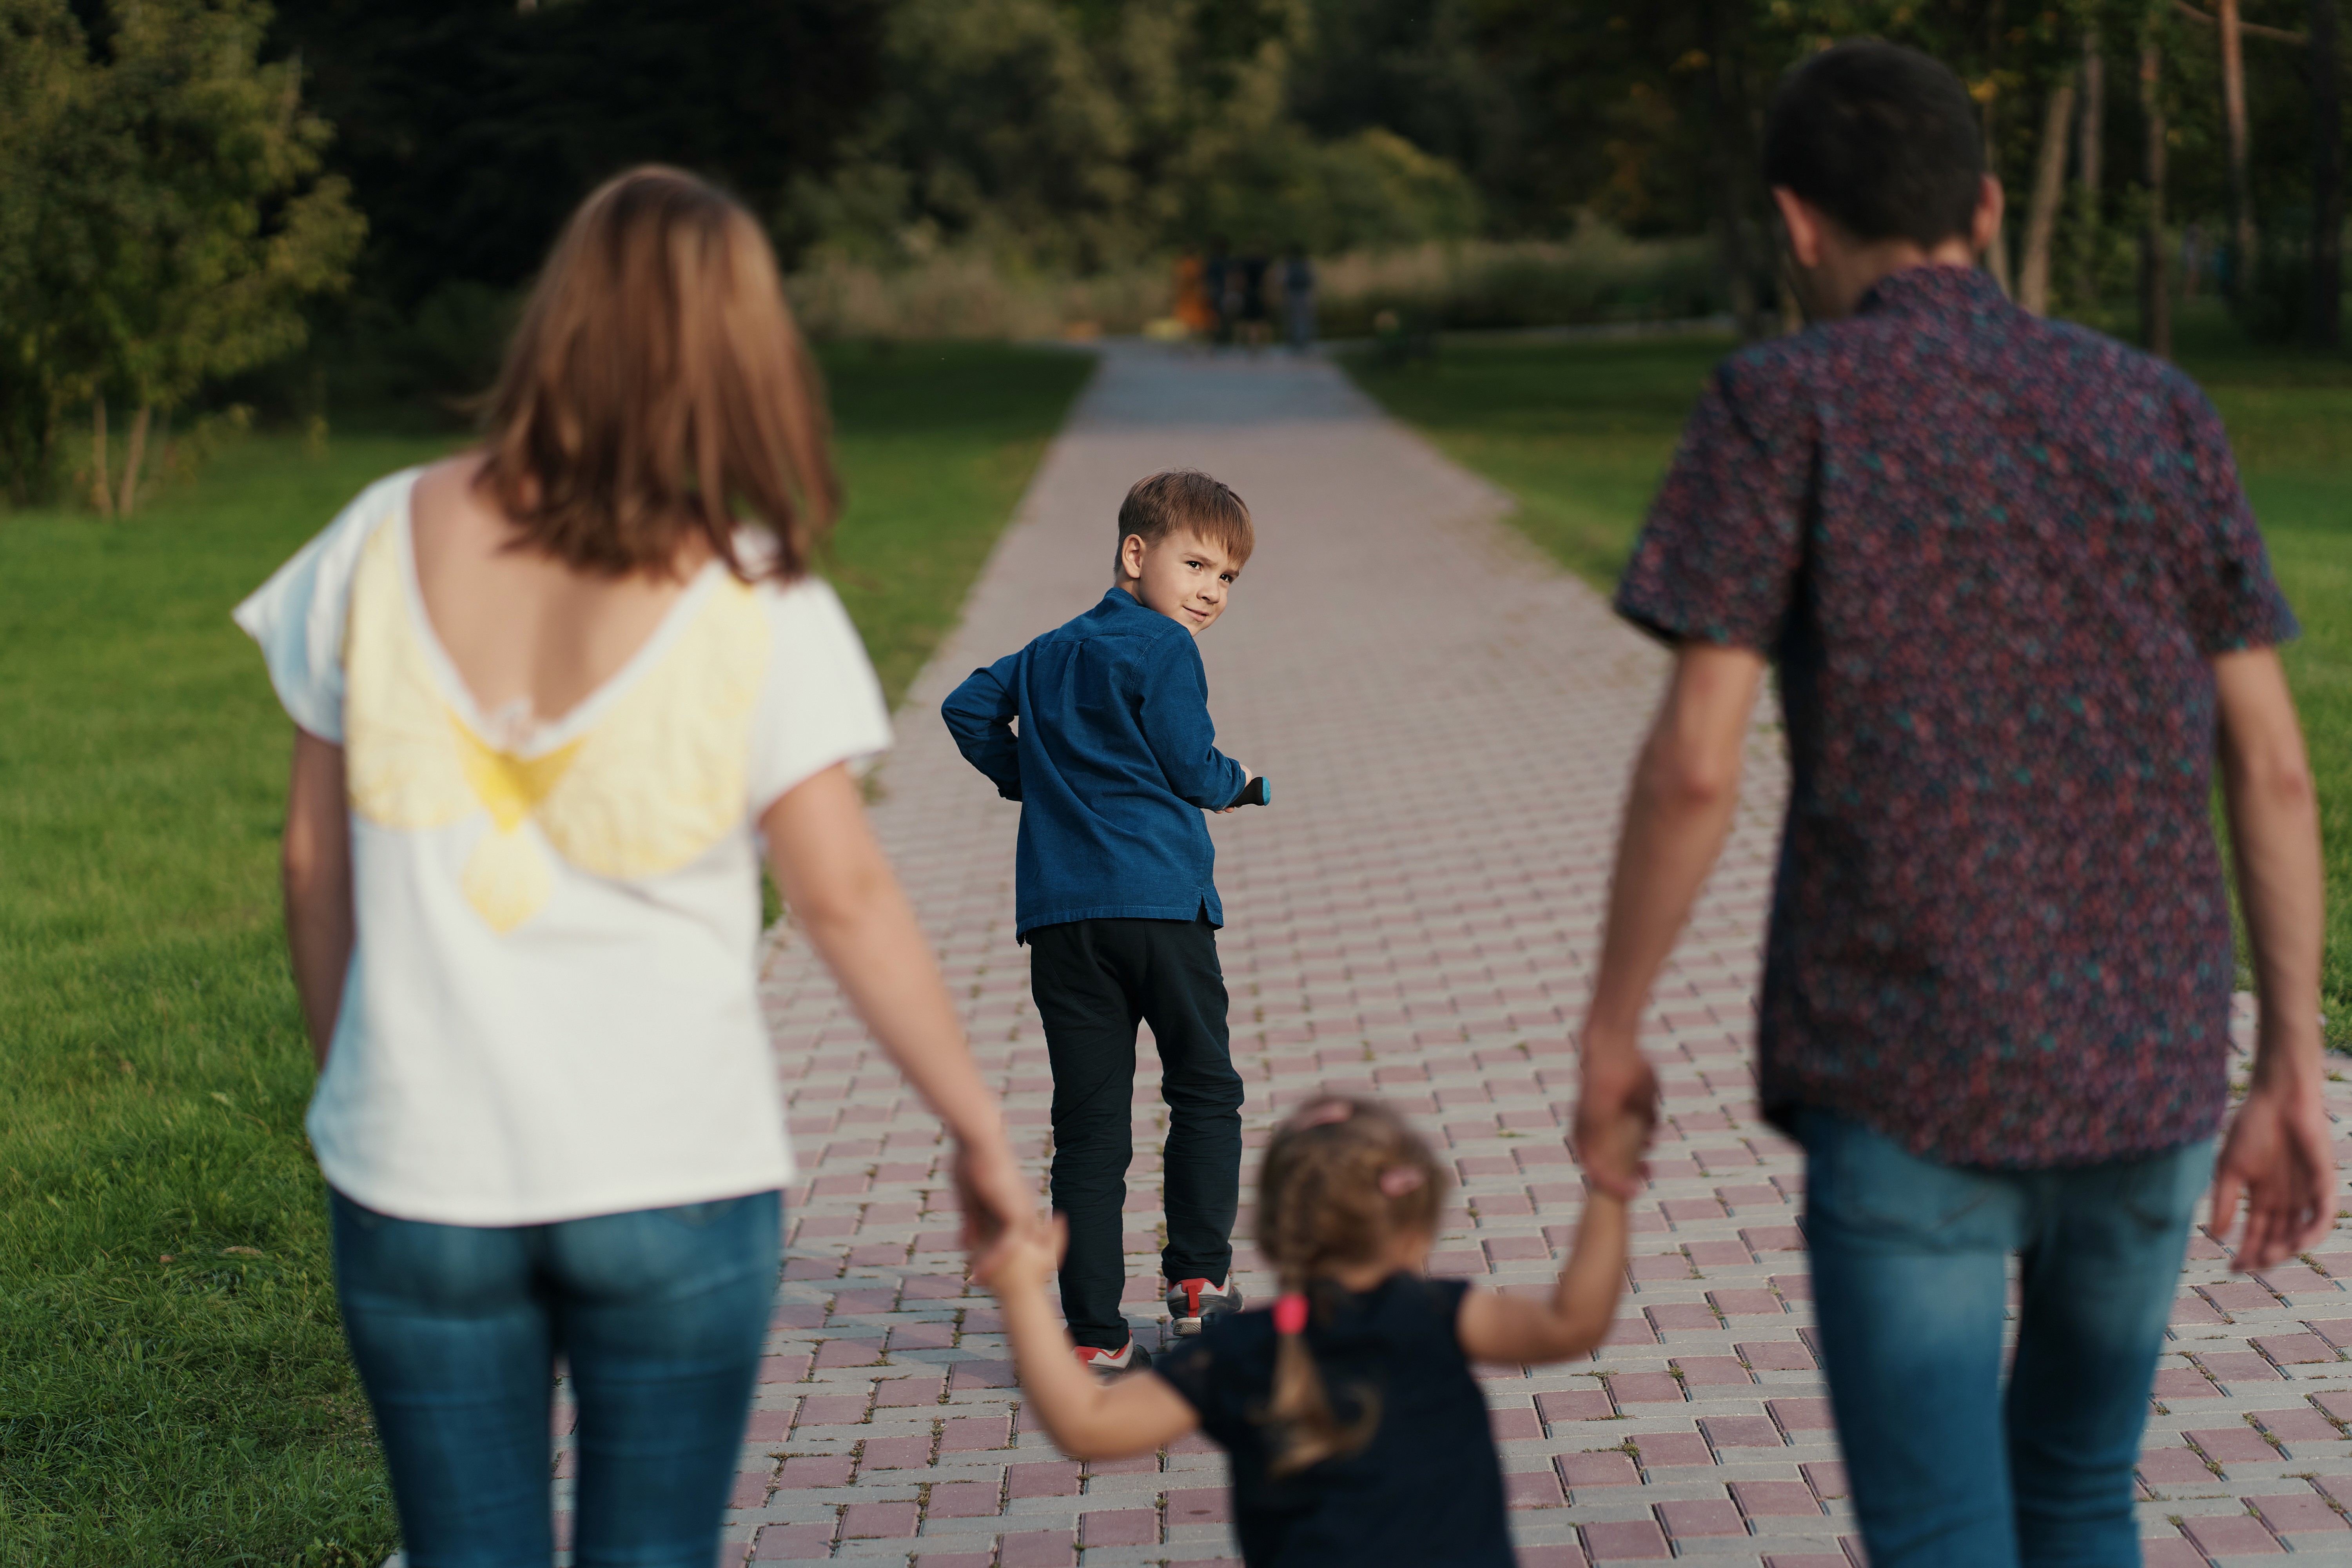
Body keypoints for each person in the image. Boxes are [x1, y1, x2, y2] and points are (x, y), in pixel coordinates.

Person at [1573, 41, 2329, 1568]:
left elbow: (1697, 762)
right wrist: (2294, 1064)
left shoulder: (1781, 403)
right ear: (1985, 210)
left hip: (1908, 1062)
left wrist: (1613, 1024)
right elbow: (2274, 762)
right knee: (2079, 1495)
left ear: (1797, 223)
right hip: (2152, 1065)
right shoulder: (2155, 406)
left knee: (1939, 1534)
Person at [235, 166, 1033, 1568]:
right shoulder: (755, 588)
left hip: (419, 1174)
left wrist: (355, 1092)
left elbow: (314, 864)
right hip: (672, 1171)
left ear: (560, 320)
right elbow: (843, 896)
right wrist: (974, 1125)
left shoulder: (374, 533)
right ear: (737, 348)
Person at [978, 1096, 1639, 1567]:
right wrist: (1610, 1187)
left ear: (1275, 1233)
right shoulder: (1437, 1317)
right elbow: (1570, 1322)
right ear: (1418, 1223)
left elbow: (1087, 1424)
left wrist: (1019, 1292)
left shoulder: (1236, 1353)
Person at [940, 470, 1256, 1370]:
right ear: (1135, 553)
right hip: (1158, 905)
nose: (1210, 590)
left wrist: (1035, 780)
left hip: (1061, 918)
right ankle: (1198, 1287)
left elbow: (965, 708)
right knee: (1204, 1086)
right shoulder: (1163, 648)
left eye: (1227, 578)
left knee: (1088, 1129)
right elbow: (1193, 767)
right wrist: (1245, 784)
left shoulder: (1044, 652)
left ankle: (1093, 1335)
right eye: (1196, 563)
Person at [1281, 242, 1316, 353]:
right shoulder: (1306, 263)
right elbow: (1313, 279)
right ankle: (1302, 342)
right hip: (1303, 293)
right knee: (1303, 318)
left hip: (1293, 293)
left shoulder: (1289, 264)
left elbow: (1284, 280)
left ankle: (1296, 342)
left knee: (1293, 318)